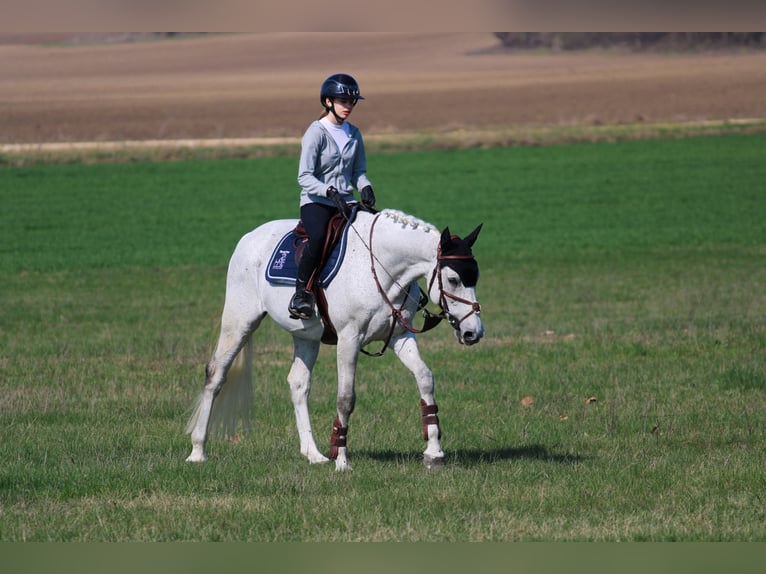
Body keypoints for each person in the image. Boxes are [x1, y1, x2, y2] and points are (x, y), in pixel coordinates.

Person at [288, 73, 376, 320]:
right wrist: (328, 190)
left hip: (345, 201)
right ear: (328, 102)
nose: (348, 106)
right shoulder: (315, 133)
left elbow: (358, 172)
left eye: (351, 102)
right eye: (342, 101)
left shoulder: (354, 133)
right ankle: (301, 294)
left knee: (373, 231)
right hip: (317, 202)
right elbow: (304, 177)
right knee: (317, 238)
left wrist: (365, 186)